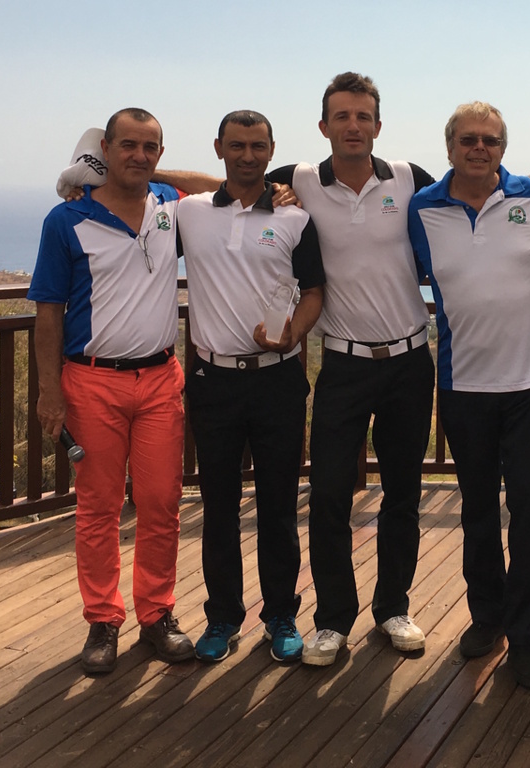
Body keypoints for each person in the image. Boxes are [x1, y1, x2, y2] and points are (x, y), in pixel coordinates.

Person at [264, 74, 530, 666]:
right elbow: (231, 182)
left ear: (379, 125)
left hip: (410, 363)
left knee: (404, 494)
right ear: (324, 126)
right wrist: (95, 181)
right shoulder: (300, 181)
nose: (353, 126)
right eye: (342, 116)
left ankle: (394, 608)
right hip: (344, 361)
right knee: (329, 494)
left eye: (363, 116)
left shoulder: (411, 182)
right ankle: (333, 620)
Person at [29, 108, 194, 674]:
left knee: (161, 503)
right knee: (98, 508)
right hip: (91, 380)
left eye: (150, 147)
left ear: (160, 154)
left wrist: (158, 174)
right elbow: (48, 313)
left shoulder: (171, 207)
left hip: (160, 379)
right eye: (128, 146)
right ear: (105, 148)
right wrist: (49, 391)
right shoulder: (66, 220)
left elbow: (220, 186)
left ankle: (157, 613)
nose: (139, 156)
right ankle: (103, 619)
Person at [408, 102, 530, 690]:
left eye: (490, 140)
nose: (479, 148)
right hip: (463, 383)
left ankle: (527, 638)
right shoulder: (422, 208)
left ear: (503, 147)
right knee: (476, 511)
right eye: (468, 139)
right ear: (449, 147)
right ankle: (487, 618)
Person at [179, 111, 324, 663]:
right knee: (217, 507)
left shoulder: (295, 218)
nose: (247, 155)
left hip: (277, 380)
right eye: (236, 146)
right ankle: (222, 618)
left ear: (271, 149)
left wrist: (294, 334)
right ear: (218, 148)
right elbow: (142, 193)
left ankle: (281, 615)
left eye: (257, 146)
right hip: (212, 379)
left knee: (279, 506)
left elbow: (314, 291)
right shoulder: (190, 212)